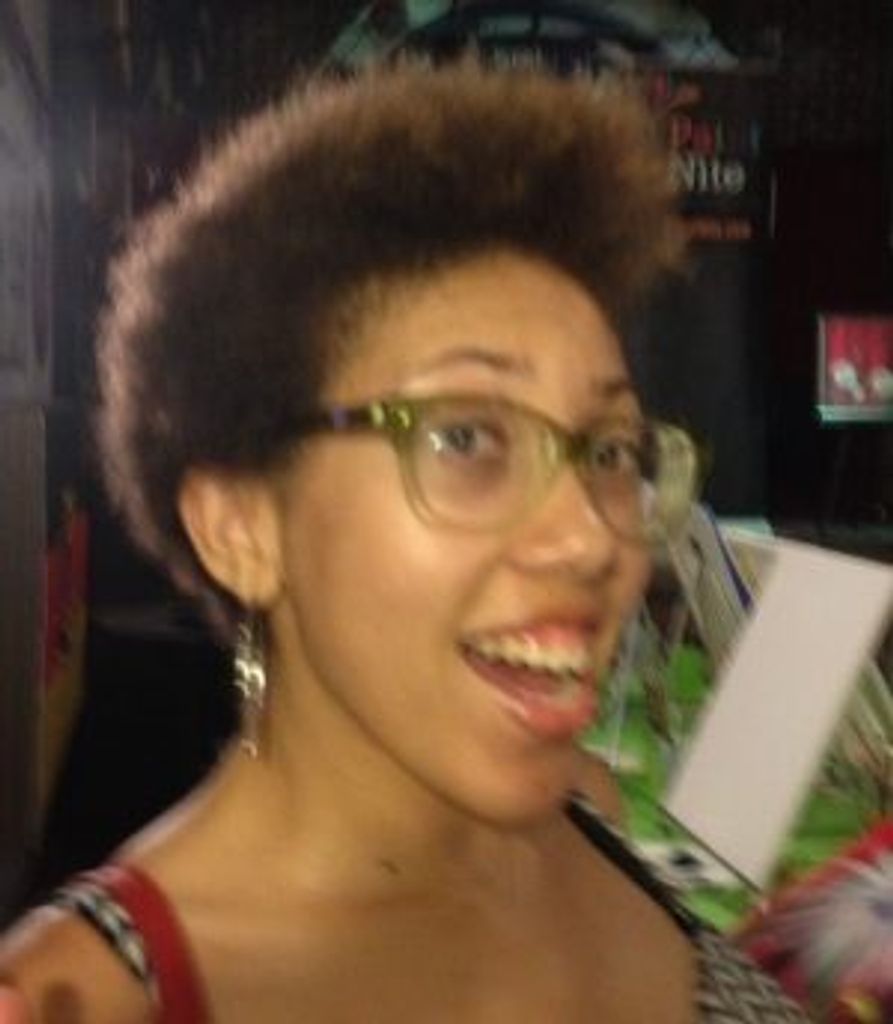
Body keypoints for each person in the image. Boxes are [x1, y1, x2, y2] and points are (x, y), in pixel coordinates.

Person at [0, 58, 808, 1022]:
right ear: (240, 527)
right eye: (465, 439)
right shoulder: (90, 999)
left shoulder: (588, 811)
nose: (591, 537)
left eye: (607, 449)